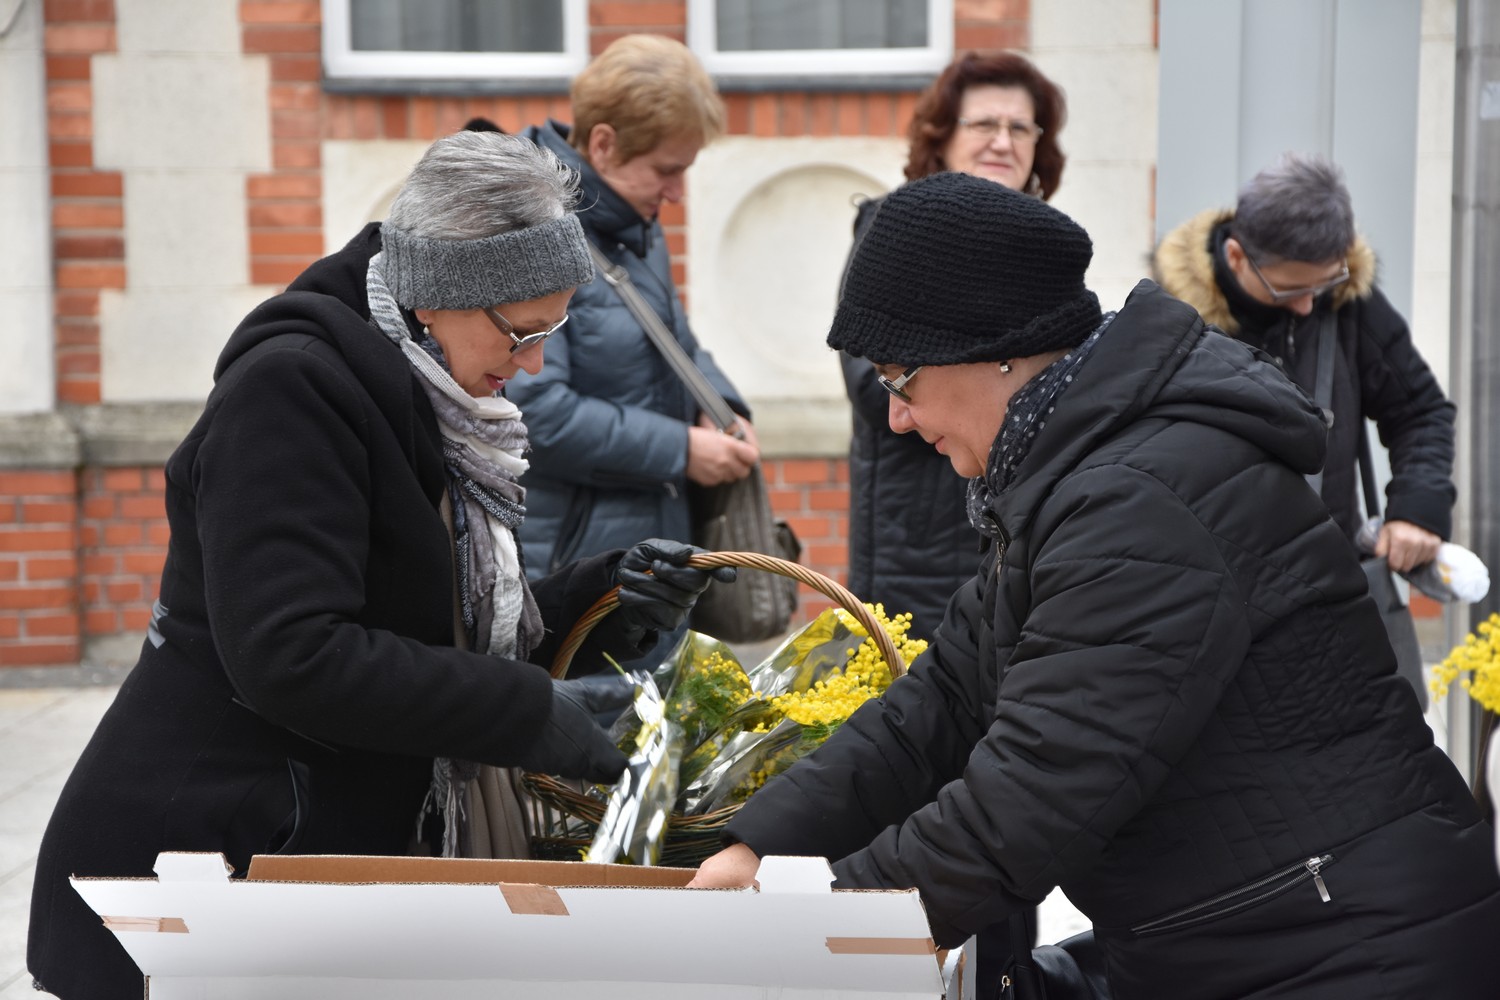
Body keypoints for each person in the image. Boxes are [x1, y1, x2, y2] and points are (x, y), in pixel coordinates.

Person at [691, 172, 1500, 999]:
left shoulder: (1140, 496)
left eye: (901, 379)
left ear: (995, 349)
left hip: (1342, 947)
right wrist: (757, 842)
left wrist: (810, 929)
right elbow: (940, 704)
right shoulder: (1066, 473)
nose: (896, 416)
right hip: (1240, 929)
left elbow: (1036, 788)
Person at [28, 131, 734, 1000]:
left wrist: (608, 593)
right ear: (439, 297)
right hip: (200, 866)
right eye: (521, 332)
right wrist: (524, 709)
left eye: (553, 329)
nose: (534, 364)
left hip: (296, 860)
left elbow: (432, 625)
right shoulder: (291, 391)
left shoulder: (424, 386)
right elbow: (296, 654)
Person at [1153, 153, 1455, 704]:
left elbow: (1421, 411)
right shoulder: (1169, 322)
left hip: (1335, 602)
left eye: (1326, 281)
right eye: (1291, 289)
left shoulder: (1349, 303)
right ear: (1238, 256)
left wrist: (1417, 507)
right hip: (1213, 614)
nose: (1309, 304)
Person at [511, 35, 758, 606]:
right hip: (571, 567)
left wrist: (725, 407)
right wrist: (682, 451)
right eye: (667, 170)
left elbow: (677, 343)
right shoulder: (529, 229)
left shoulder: (635, 224)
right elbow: (535, 413)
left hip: (652, 550)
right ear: (603, 144)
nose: (677, 193)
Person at [840, 51, 1068, 637]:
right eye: (983, 124)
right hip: (919, 542)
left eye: (1020, 127)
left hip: (1021, 532)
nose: (1003, 141)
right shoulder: (893, 232)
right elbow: (873, 388)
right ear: (941, 139)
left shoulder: (1043, 249)